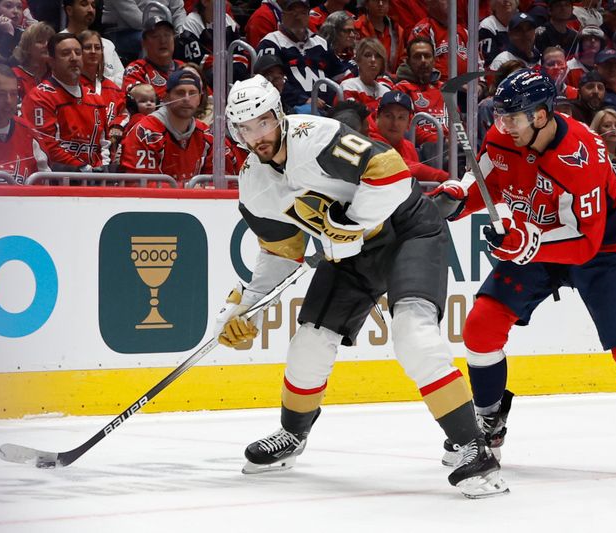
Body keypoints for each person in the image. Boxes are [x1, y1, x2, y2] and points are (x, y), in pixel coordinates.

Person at [217, 74, 509, 498]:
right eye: (245, 128)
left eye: (262, 122)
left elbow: (389, 170)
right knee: (309, 341)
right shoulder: (254, 184)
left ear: (278, 115)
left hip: (407, 231)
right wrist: (246, 306)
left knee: (413, 334)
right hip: (348, 253)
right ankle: (292, 434)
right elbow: (281, 252)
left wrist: (350, 224)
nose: (256, 135)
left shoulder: (315, 137)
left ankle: (473, 449)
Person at [429, 68, 616, 472]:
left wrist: (528, 242)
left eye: (512, 117)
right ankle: (489, 420)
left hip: (600, 253)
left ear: (541, 115)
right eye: (501, 117)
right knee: (480, 329)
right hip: (535, 242)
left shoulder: (582, 154)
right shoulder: (505, 136)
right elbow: (486, 179)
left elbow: (584, 243)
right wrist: (458, 195)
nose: (504, 125)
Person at [21, 32, 110, 172]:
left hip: (93, 179)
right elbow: (46, 146)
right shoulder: (40, 97)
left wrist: (103, 170)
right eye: (66, 53)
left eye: (78, 52)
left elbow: (104, 144)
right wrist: (83, 169)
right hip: (55, 180)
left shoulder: (96, 99)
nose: (74, 58)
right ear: (51, 61)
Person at [118, 69, 213, 184]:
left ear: (200, 99)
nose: (187, 99)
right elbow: (141, 186)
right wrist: (188, 190)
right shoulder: (145, 132)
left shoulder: (206, 135)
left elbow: (216, 184)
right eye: (180, 93)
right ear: (166, 97)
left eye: (192, 93)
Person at [256, 0, 349, 114]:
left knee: (357, 111)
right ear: (283, 14)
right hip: (292, 109)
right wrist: (304, 100)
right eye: (292, 12)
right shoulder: (271, 43)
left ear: (308, 15)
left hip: (328, 107)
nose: (298, 17)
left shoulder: (320, 43)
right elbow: (270, 82)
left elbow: (340, 75)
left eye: (302, 12)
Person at [0, 64, 49, 182]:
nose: (9, 101)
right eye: (1, 94)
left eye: (13, 94)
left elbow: (45, 183)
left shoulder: (29, 133)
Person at [368, 89, 448, 183]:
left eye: (401, 117)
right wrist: (447, 178)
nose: (395, 123)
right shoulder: (369, 141)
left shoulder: (409, 147)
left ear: (408, 123)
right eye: (388, 116)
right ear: (377, 116)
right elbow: (399, 165)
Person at [394, 36, 447, 146]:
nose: (423, 61)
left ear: (434, 60)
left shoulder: (445, 89)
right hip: (422, 150)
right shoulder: (401, 90)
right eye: (417, 57)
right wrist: (442, 141)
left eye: (427, 56)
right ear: (408, 61)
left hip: (452, 149)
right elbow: (406, 127)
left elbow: (458, 124)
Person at [62, 0, 124, 86]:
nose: (91, 10)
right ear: (69, 10)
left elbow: (122, 79)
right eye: (84, 4)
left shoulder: (107, 44)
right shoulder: (58, 43)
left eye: (93, 5)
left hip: (110, 96)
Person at [122, 16, 184, 100]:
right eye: (155, 36)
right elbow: (135, 102)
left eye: (167, 35)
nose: (163, 41)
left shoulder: (185, 68)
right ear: (144, 43)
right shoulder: (136, 70)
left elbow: (206, 97)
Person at [78, 30, 124, 127]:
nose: (93, 51)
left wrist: (117, 127)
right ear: (78, 51)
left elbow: (124, 115)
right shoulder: (71, 86)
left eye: (97, 48)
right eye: (87, 47)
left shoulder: (113, 89)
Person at [340, 38, 391, 113]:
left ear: (382, 63)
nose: (373, 60)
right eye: (367, 55)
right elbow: (354, 120)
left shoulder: (386, 92)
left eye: (377, 56)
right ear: (358, 60)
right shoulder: (348, 86)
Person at [354, 0, 406, 74]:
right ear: (366, 4)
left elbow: (402, 60)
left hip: (392, 80)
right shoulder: (356, 28)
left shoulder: (397, 30)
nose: (380, 4)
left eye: (384, 1)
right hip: (365, 77)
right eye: (376, 1)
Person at [9, 20, 52, 104]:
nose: (46, 45)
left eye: (49, 41)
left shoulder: (56, 74)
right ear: (27, 47)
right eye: (40, 41)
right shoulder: (14, 75)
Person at [478, 0, 516, 67]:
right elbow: (489, 63)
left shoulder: (521, 24)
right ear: (493, 4)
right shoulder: (487, 26)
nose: (506, 0)